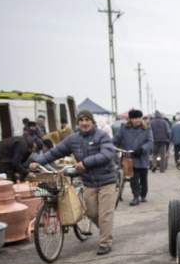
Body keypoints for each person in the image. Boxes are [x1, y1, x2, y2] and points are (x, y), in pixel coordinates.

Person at [29, 109, 117, 256]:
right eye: (81, 120)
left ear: (92, 121)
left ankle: (105, 242)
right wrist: (38, 162)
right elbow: (56, 152)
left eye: (87, 120)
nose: (84, 123)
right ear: (77, 123)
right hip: (88, 181)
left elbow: (107, 154)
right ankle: (105, 231)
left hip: (106, 180)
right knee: (92, 213)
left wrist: (85, 163)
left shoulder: (102, 136)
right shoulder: (72, 139)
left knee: (105, 214)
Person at [113, 109, 153, 206]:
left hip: (142, 157)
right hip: (129, 157)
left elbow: (150, 142)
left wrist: (142, 149)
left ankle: (143, 194)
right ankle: (136, 196)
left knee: (143, 178)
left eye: (139, 118)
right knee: (133, 178)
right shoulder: (124, 129)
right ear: (130, 119)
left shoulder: (146, 129)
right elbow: (116, 139)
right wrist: (108, 144)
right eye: (135, 118)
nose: (137, 120)